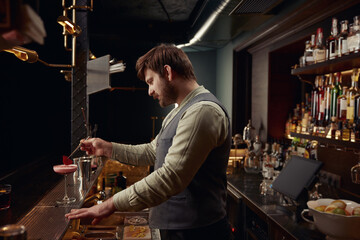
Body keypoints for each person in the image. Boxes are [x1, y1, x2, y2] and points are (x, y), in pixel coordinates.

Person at [65, 44, 232, 240]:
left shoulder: (202, 112)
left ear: (168, 72)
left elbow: (171, 177)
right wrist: (108, 148)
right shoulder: (180, 111)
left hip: (199, 232)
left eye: (151, 81)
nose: (150, 91)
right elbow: (153, 151)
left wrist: (109, 205)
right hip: (180, 229)